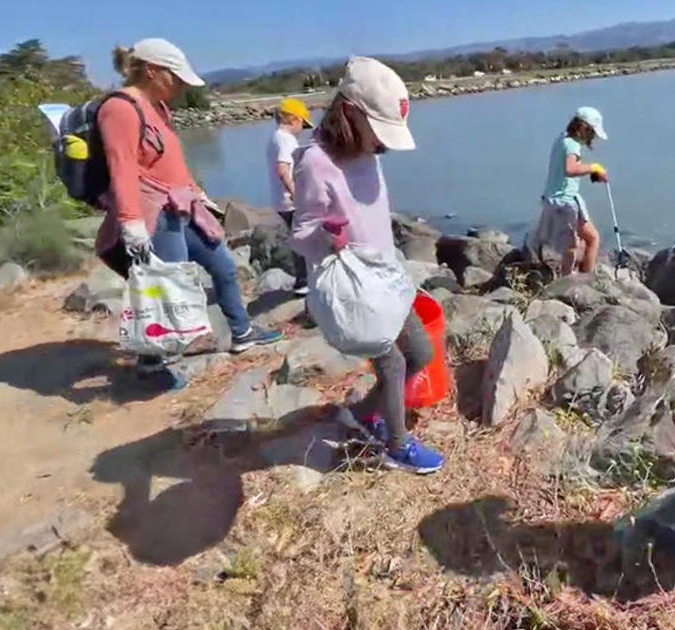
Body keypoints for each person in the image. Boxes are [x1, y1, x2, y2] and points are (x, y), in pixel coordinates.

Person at [96, 38, 283, 387]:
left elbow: (168, 161)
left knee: (224, 267)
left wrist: (199, 195)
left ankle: (242, 332)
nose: (181, 86)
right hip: (155, 216)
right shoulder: (119, 109)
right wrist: (131, 224)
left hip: (182, 209)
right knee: (167, 291)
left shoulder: (157, 107)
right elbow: (121, 167)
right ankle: (152, 364)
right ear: (151, 71)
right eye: (176, 78)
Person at [289, 57, 444, 475]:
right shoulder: (315, 162)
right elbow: (300, 235)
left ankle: (362, 413)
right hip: (359, 285)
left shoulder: (367, 151)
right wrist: (329, 237)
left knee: (420, 352)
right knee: (392, 364)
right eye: (380, 133)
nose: (384, 145)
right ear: (352, 113)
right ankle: (396, 445)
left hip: (386, 271)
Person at [528, 106, 609, 275]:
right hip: (563, 203)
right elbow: (570, 169)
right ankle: (576, 281)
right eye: (591, 132)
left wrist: (591, 171)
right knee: (576, 245)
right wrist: (593, 167)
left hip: (561, 198)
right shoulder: (572, 145)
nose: (592, 137)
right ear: (582, 127)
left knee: (589, 239)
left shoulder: (562, 138)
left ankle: (582, 275)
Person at [266, 98, 313, 296]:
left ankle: (303, 280)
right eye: (303, 123)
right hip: (290, 200)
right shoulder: (286, 140)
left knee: (298, 238)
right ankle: (304, 282)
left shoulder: (274, 138)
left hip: (280, 200)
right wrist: (296, 194)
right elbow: (283, 169)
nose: (302, 128)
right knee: (304, 240)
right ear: (293, 119)